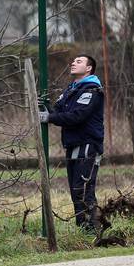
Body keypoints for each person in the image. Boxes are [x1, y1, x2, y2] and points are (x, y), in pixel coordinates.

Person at [39, 54, 104, 231]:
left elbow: (77, 116)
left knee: (83, 190)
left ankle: (94, 230)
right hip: (73, 145)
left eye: (79, 61)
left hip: (88, 145)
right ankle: (83, 228)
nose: (73, 63)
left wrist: (49, 118)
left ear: (89, 68)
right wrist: (46, 109)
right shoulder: (71, 90)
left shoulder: (92, 90)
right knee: (75, 191)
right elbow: (59, 111)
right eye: (73, 61)